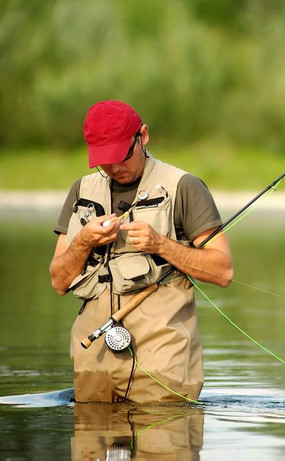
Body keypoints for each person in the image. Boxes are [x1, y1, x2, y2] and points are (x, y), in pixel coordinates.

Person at [49, 100, 233, 403]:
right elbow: (58, 282)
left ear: (143, 136)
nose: (115, 168)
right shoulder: (80, 191)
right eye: (104, 161)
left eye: (122, 156)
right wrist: (82, 240)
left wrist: (160, 244)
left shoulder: (184, 187)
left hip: (163, 364)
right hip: (92, 360)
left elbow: (223, 271)